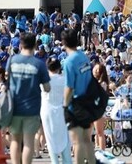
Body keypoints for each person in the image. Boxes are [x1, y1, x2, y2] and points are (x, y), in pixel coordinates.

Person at [6, 32, 50, 164]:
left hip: (14, 107)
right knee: (28, 142)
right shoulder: (39, 64)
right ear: (35, 45)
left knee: (15, 140)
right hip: (32, 108)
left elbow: (7, 80)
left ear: (20, 45)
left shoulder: (12, 61)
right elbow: (47, 87)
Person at [61, 28, 95, 164]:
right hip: (88, 101)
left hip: (76, 104)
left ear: (64, 42)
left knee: (77, 141)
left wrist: (64, 105)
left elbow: (69, 87)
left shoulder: (69, 61)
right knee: (87, 140)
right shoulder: (83, 57)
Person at [41, 58, 71, 164]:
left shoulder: (43, 80)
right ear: (59, 68)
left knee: (50, 138)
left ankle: (55, 161)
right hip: (62, 110)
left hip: (47, 111)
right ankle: (67, 161)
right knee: (65, 137)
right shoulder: (64, 79)